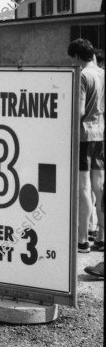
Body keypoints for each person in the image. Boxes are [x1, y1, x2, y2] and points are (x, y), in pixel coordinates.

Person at [67, 38, 105, 253]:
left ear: (77, 56)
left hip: (83, 136)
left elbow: (79, 111)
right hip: (100, 134)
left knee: (84, 188)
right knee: (99, 189)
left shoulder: (82, 76)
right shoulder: (102, 73)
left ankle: (82, 239)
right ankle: (101, 236)